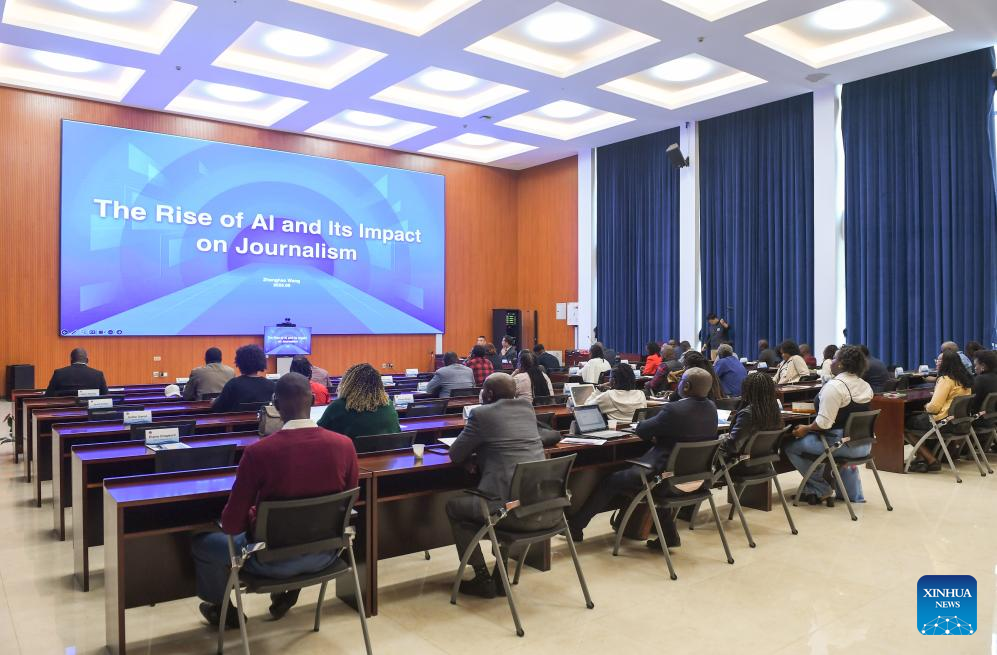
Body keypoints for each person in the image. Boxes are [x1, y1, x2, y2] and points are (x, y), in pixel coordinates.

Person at [191, 373, 359, 627]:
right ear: (313, 400)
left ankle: (222, 610)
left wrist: (254, 516)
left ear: (276, 405)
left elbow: (232, 525)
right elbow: (347, 504)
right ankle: (286, 591)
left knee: (201, 542)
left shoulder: (258, 453)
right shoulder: (345, 446)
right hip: (326, 555)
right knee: (300, 530)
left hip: (268, 561)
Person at [568, 369, 718, 546]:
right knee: (657, 481)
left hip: (665, 480)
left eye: (681, 380)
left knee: (611, 480)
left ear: (686, 386)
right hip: (695, 479)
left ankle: (576, 526)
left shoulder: (674, 410)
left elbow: (642, 430)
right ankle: (669, 537)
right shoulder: (711, 408)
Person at [446, 373, 562, 598]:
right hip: (543, 506)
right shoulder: (527, 409)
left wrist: (471, 459)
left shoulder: (481, 414)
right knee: (508, 496)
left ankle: (482, 578)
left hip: (510, 512)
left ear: (488, 394)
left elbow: (456, 454)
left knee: (454, 507)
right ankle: (500, 574)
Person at [784, 345, 874, 504]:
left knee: (791, 446)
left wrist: (806, 428)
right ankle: (836, 492)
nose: (831, 361)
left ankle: (820, 487)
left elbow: (823, 425)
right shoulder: (865, 385)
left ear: (841, 364)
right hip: (863, 445)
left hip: (840, 445)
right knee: (818, 441)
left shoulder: (834, 387)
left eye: (834, 358)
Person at [904, 351, 973, 472]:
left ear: (945, 363)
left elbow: (934, 407)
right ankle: (921, 459)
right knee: (918, 421)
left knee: (903, 424)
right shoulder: (964, 379)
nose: (936, 362)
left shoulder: (945, 379)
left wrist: (926, 406)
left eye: (939, 360)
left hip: (944, 423)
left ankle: (931, 459)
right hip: (960, 422)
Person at [318, 363, 401, 439]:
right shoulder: (388, 405)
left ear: (348, 384)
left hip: (352, 451)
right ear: (379, 385)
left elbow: (318, 433)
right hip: (388, 451)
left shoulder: (338, 406)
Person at [721, 371, 784, 457]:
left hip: (741, 459)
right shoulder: (775, 410)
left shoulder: (747, 414)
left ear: (748, 391)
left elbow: (734, 446)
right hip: (764, 458)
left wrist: (719, 440)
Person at [211, 345, 274, 413]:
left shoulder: (232, 384)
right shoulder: (271, 385)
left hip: (236, 420)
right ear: (261, 361)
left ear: (239, 362)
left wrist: (214, 401)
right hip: (263, 420)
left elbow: (218, 408)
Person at [971, 350, 997, 427]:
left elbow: (972, 402)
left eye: (976, 365)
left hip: (976, 420)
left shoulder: (980, 380)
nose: (975, 368)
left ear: (983, 365)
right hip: (992, 419)